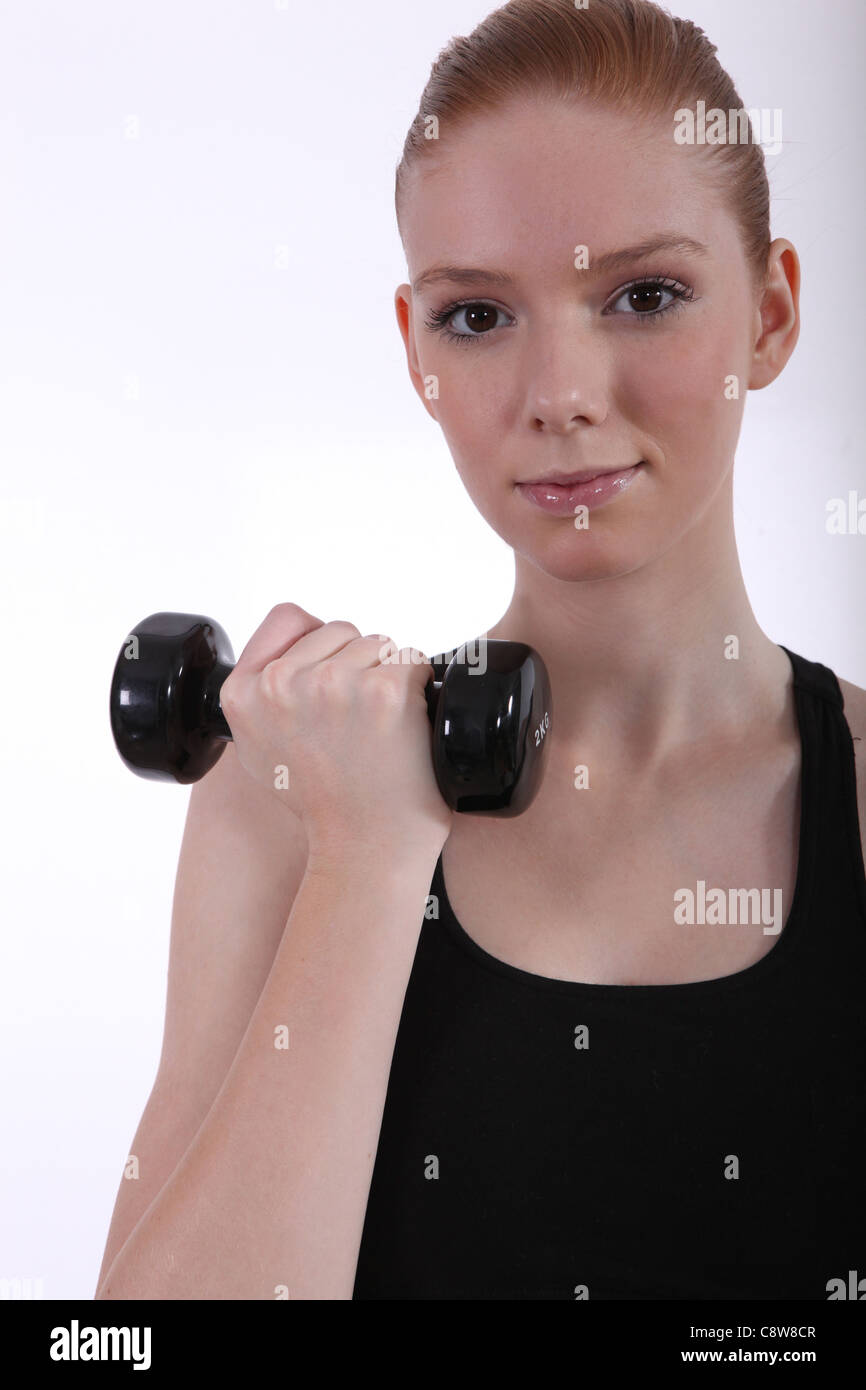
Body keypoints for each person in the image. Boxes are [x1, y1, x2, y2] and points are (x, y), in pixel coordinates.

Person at [95, 0, 866, 1301]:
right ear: (414, 352)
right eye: (475, 316)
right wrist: (370, 855)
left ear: (770, 317)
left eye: (643, 294)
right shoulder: (281, 798)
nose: (558, 390)